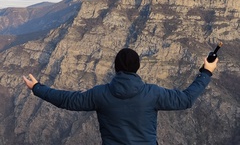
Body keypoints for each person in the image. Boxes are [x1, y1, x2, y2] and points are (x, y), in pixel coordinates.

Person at [23, 48, 218, 145]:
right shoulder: (153, 93)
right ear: (137, 68)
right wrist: (206, 71)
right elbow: (186, 99)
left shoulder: (100, 94)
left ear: (116, 68)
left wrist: (37, 88)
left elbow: (66, 100)